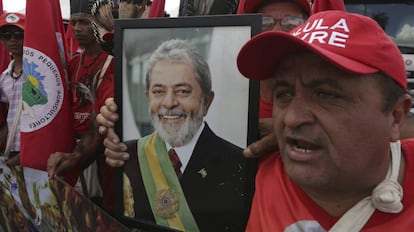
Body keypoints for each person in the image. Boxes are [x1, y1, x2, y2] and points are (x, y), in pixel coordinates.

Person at [235, 10, 414, 230]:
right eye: (284, 93)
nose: (291, 118)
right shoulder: (251, 167)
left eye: (326, 94)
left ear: (396, 116)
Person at [99, 39, 248, 231]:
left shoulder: (238, 164)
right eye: (158, 91)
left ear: (207, 102)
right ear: (148, 98)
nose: (169, 103)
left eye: (183, 91)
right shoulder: (126, 155)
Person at [47, 0, 116, 214]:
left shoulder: (112, 64)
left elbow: (100, 123)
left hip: (103, 156)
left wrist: (76, 156)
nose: (76, 29)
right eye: (74, 22)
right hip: (72, 151)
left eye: (84, 22)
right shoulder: (73, 64)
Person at [0, 12, 25, 165]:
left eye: (18, 35)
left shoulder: (41, 75)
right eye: (6, 35)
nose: (12, 40)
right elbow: (10, 119)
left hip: (37, 148)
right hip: (12, 150)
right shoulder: (4, 79)